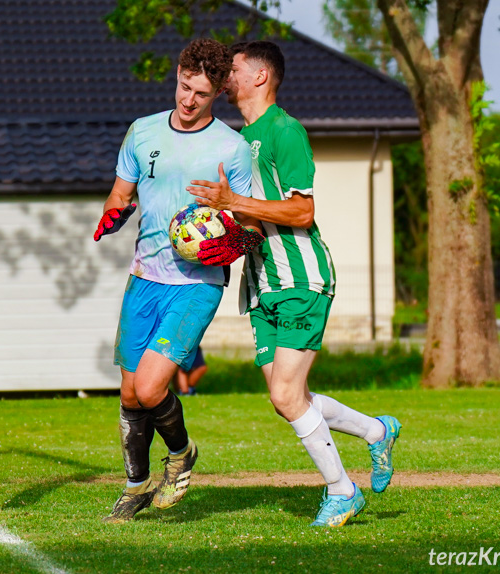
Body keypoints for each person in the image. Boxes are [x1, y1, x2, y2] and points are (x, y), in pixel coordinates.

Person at [188, 41, 401, 528]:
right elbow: (259, 218)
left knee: (286, 396)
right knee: (289, 400)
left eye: (235, 68)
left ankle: (342, 490)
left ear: (260, 77)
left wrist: (234, 204)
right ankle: (375, 431)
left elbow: (303, 211)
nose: (226, 74)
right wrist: (222, 235)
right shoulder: (243, 138)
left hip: (301, 277)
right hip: (263, 284)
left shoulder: (285, 131)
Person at [93, 38, 265, 524]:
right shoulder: (142, 132)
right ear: (177, 74)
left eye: (202, 95)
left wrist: (234, 245)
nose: (188, 101)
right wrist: (113, 215)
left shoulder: (231, 149)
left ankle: (182, 454)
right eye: (184, 88)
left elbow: (250, 224)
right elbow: (119, 194)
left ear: (217, 95)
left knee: (149, 390)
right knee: (128, 393)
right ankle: (135, 486)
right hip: (144, 276)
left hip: (196, 284)